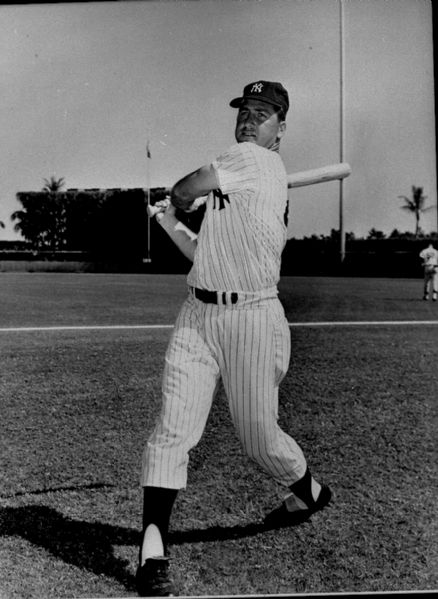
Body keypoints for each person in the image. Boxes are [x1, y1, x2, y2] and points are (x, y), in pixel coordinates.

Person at [135, 80, 332, 597]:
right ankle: (152, 547)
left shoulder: (252, 162)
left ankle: (308, 489)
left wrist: (175, 198)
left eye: (263, 113)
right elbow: (206, 258)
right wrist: (169, 220)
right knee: (172, 430)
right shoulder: (242, 180)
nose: (249, 120)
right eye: (245, 111)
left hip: (253, 320)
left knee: (259, 440)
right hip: (198, 315)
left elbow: (188, 184)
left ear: (280, 129)